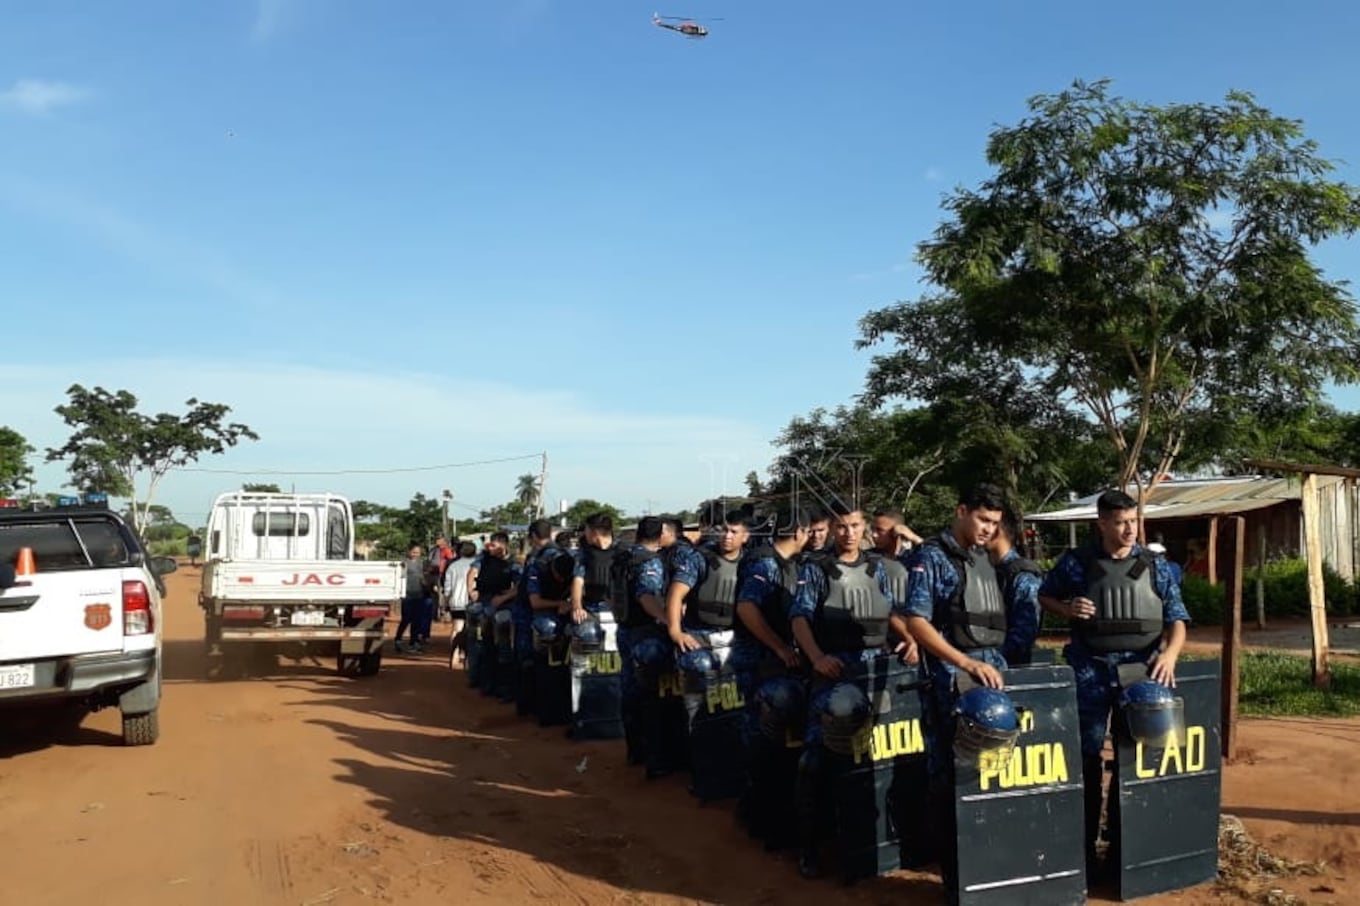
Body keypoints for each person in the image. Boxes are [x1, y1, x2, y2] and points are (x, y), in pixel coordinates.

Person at [1038, 489, 1189, 880]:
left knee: (1135, 760)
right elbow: (1045, 595)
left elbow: (1177, 619)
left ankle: (1126, 850)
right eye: (1120, 522)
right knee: (1086, 760)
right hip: (1089, 669)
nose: (1129, 529)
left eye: (1133, 521)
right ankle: (1084, 852)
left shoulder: (1156, 566)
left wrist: (1170, 655)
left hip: (1141, 675)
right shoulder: (1076, 563)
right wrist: (1067, 608)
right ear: (1102, 523)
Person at [892, 482, 1010, 890]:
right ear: (961, 511)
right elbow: (917, 622)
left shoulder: (982, 557)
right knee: (950, 775)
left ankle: (986, 859)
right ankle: (955, 874)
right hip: (952, 680)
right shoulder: (932, 557)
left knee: (991, 771)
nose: (987, 529)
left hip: (990, 674)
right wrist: (963, 662)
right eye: (982, 519)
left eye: (994, 523)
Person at [788, 502, 897, 879]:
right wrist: (816, 657)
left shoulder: (877, 566)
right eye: (841, 526)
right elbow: (799, 616)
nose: (848, 532)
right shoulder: (815, 568)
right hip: (833, 670)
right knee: (816, 761)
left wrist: (910, 639)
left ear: (864, 527)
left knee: (883, 754)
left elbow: (891, 610)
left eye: (854, 525)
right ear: (831, 529)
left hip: (876, 670)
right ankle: (809, 847)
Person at [732, 504, 810, 848]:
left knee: (775, 742)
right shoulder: (765, 563)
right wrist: (780, 647)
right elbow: (747, 609)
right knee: (761, 740)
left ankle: (761, 812)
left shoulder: (790, 565)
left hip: (776, 664)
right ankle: (757, 817)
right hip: (759, 662)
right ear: (800, 532)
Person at [988, 511, 1043, 666]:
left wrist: (988, 662)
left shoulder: (1023, 577)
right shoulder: (987, 570)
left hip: (1008, 672)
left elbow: (1023, 636)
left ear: (997, 530)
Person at [443, 541, 476, 665]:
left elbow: (447, 588)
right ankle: (469, 658)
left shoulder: (453, 566)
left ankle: (454, 656)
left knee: (457, 628)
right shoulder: (478, 565)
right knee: (473, 629)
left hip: (456, 602)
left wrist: (446, 603)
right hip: (473, 602)